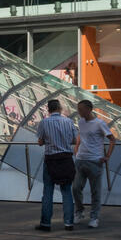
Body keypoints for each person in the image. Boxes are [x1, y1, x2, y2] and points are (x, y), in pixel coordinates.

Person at [35, 99, 77, 232]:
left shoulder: (44, 122)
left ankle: (46, 223)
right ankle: (69, 223)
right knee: (66, 191)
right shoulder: (69, 122)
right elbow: (75, 140)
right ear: (60, 108)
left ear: (48, 109)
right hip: (66, 159)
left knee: (48, 192)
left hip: (51, 160)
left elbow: (40, 142)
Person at [72, 100, 115, 229]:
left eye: (81, 109)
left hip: (95, 161)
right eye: (78, 109)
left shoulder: (99, 123)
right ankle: (79, 211)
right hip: (80, 160)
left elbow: (112, 139)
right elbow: (81, 134)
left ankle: (94, 217)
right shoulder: (81, 122)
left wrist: (107, 156)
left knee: (95, 191)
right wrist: (77, 147)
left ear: (89, 109)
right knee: (75, 188)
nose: (79, 112)